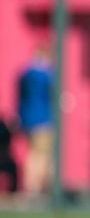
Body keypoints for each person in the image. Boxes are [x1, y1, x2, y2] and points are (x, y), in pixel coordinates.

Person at [17, 44, 54, 198]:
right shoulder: (46, 76)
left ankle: (31, 187)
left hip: (28, 120)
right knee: (42, 155)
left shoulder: (24, 75)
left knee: (32, 153)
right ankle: (39, 188)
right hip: (44, 120)